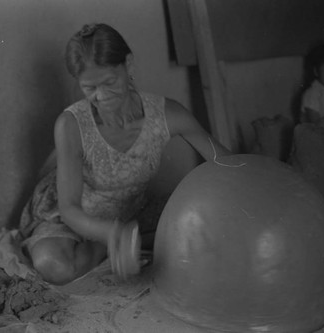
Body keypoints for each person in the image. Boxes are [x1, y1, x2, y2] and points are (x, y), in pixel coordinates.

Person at [19, 23, 231, 285]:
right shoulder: (71, 124)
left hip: (130, 211)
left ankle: (123, 242)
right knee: (53, 265)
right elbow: (69, 208)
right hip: (71, 219)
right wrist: (112, 234)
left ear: (128, 65)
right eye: (89, 88)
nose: (102, 96)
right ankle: (106, 248)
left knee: (202, 232)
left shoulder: (166, 114)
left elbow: (225, 163)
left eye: (109, 82)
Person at [300, 42, 324, 125]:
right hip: (313, 132)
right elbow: (314, 121)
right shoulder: (313, 93)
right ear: (316, 71)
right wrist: (320, 123)